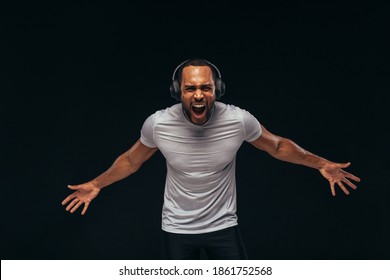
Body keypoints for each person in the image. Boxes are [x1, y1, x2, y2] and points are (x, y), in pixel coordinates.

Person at [62, 58, 361, 260]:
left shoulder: (238, 120)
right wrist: (96, 184)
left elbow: (278, 146)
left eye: (205, 87)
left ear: (216, 89)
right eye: (190, 88)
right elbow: (131, 160)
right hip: (177, 229)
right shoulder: (158, 124)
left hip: (224, 227)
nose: (198, 95)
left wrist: (321, 163)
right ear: (177, 91)